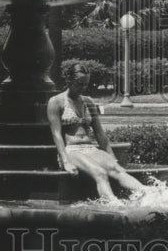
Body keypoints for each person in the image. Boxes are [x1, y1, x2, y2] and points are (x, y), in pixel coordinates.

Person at [47, 63, 148, 203]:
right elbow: (56, 134)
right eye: (79, 84)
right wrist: (65, 161)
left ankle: (150, 194)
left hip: (90, 149)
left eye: (85, 84)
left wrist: (112, 157)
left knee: (117, 169)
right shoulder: (56, 102)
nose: (82, 88)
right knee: (99, 172)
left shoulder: (88, 102)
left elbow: (100, 133)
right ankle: (114, 206)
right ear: (69, 80)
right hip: (71, 150)